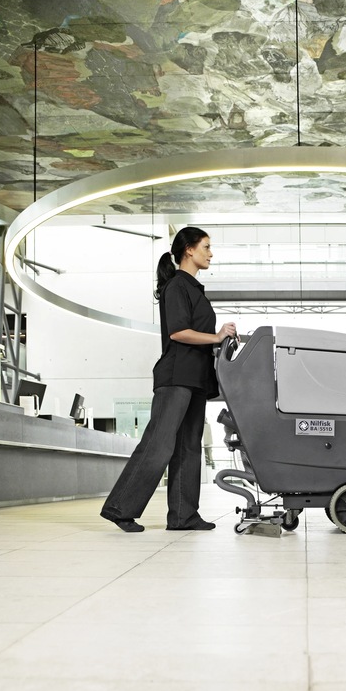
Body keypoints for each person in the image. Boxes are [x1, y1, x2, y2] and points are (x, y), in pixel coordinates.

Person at [100, 227, 236, 532]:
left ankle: (183, 516)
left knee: (189, 448)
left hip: (196, 378)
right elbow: (178, 332)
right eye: (206, 247)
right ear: (189, 249)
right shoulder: (177, 286)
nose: (211, 253)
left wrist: (220, 341)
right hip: (176, 377)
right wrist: (216, 336)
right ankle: (120, 508)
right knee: (159, 445)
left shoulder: (195, 289)